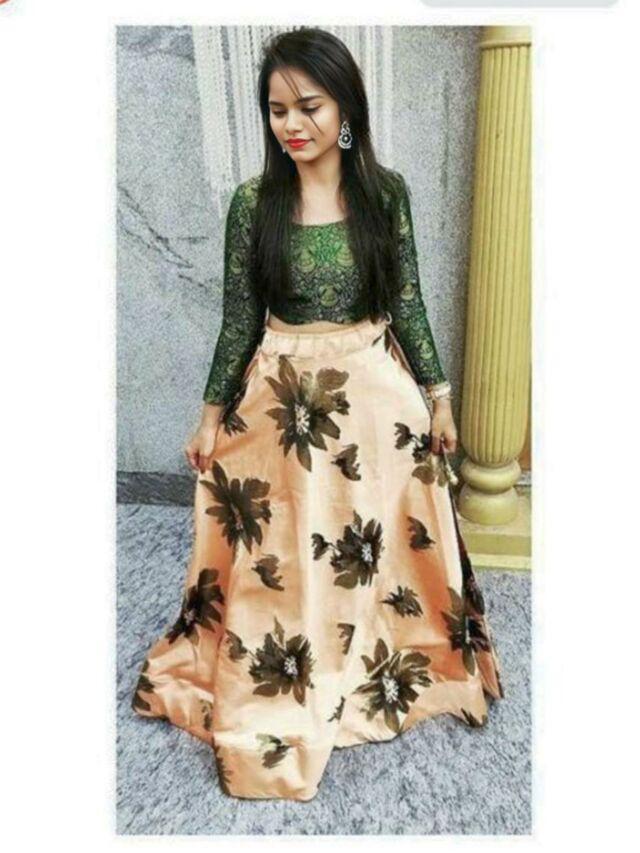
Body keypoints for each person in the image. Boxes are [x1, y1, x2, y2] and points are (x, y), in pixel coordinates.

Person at [132, 26, 504, 802]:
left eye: (310, 106)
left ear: (346, 109)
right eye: (277, 110)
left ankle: (372, 645)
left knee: (373, 530)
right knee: (285, 535)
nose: (292, 125)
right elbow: (240, 319)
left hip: (370, 391)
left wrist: (438, 398)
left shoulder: (385, 195)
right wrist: (210, 415)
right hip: (284, 395)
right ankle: (292, 656)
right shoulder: (253, 205)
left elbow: (407, 303)